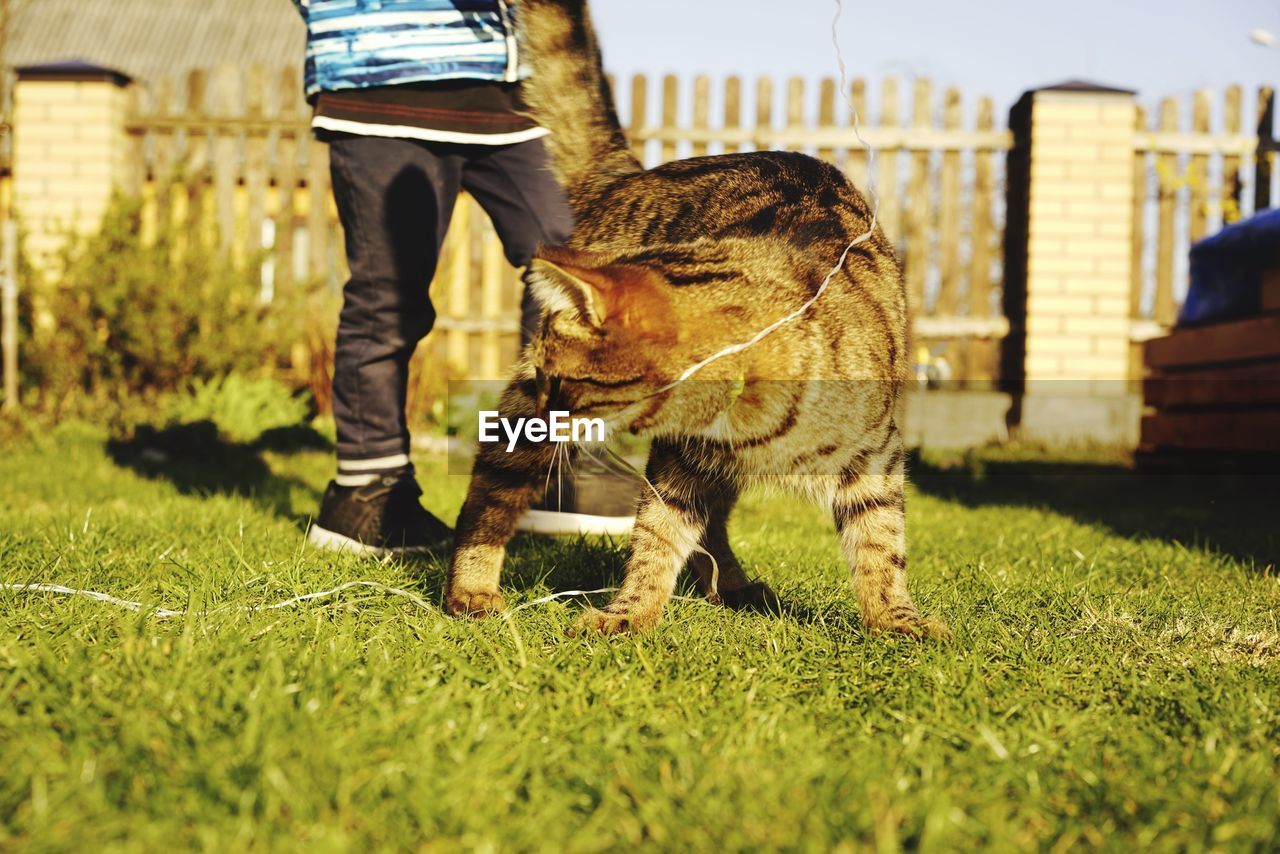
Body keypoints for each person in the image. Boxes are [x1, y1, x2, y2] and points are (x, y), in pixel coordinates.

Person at [292, 0, 638, 554]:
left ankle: (545, 465)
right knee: (390, 292)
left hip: (515, 86)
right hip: (380, 78)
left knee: (577, 271)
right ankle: (366, 493)